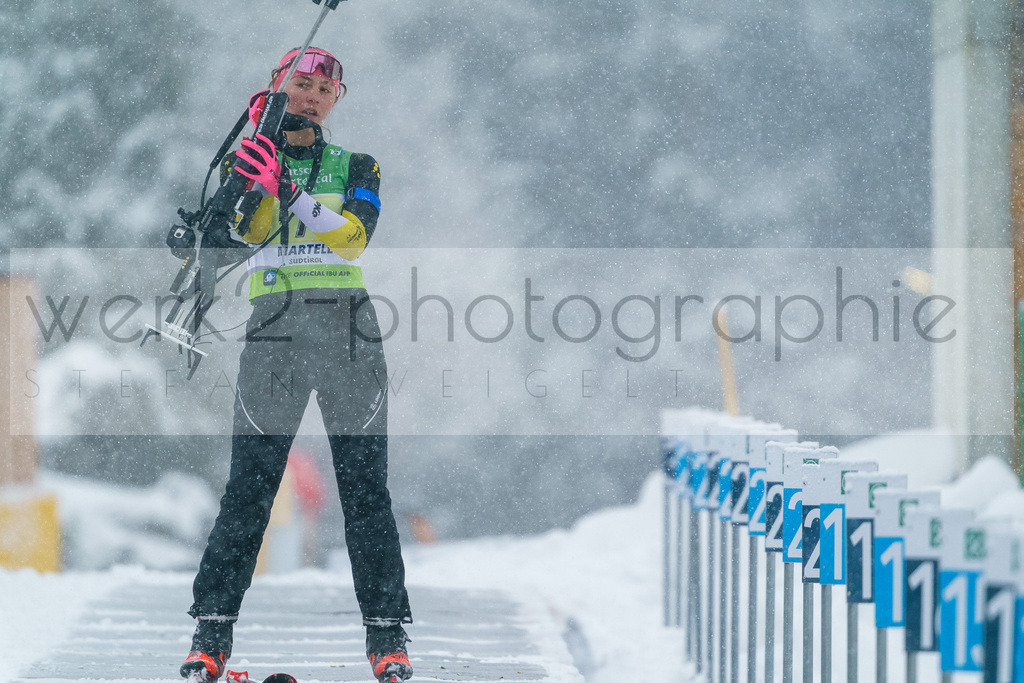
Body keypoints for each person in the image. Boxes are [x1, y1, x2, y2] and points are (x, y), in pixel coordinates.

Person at [178, 47, 413, 683]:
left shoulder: (358, 165)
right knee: (249, 490)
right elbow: (236, 235)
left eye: (321, 88)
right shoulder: (251, 157)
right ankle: (210, 637)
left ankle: (388, 641)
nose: (309, 96)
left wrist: (294, 192)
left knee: (365, 491)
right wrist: (250, 182)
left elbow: (353, 235)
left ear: (337, 98)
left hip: (346, 330)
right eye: (299, 84)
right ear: (278, 87)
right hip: (275, 330)